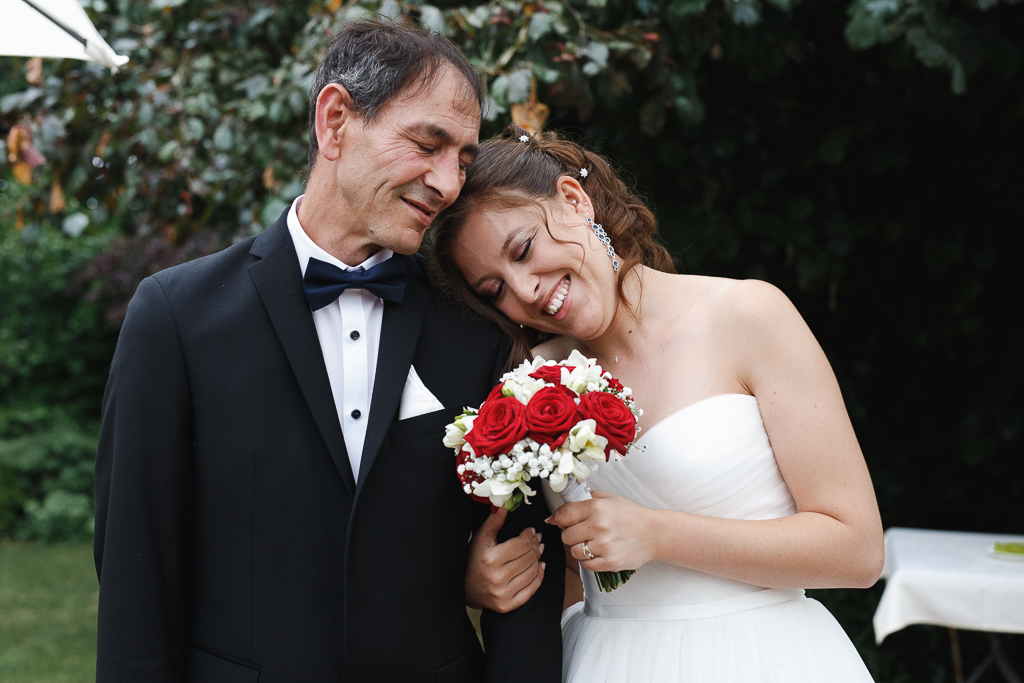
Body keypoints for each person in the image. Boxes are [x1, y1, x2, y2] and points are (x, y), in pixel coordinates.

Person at [93, 22, 563, 682]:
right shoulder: (174, 318)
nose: (449, 183)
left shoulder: (479, 330)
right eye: (429, 144)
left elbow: (524, 571)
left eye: (461, 158)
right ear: (335, 120)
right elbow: (136, 581)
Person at [431, 123, 885, 682]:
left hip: (761, 657)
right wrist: (482, 580)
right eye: (494, 289)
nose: (524, 290)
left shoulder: (747, 316)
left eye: (523, 249)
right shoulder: (531, 381)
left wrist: (659, 534)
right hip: (605, 661)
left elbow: (857, 550)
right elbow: (564, 558)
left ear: (573, 201)